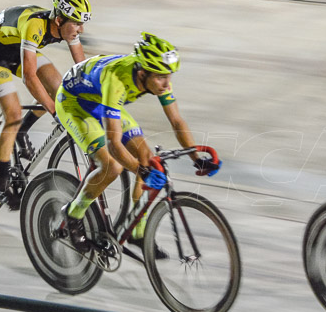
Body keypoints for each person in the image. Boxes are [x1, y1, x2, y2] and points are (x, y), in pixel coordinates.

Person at [54, 32, 221, 259]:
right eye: (161, 77)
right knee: (112, 166)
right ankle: (74, 214)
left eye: (169, 76)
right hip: (75, 103)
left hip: (100, 99)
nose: (167, 83)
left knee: (146, 156)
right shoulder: (117, 81)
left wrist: (196, 157)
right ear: (143, 73)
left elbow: (176, 120)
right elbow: (114, 144)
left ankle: (137, 232)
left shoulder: (155, 76)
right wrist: (140, 171)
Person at [0, 0, 91, 209]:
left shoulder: (66, 26)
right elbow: (29, 78)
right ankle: (1, 185)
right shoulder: (35, 26)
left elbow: (81, 67)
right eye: (77, 23)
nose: (81, 30)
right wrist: (54, 110)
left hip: (16, 48)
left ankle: (23, 130)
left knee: (59, 87)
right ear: (59, 21)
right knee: (13, 115)